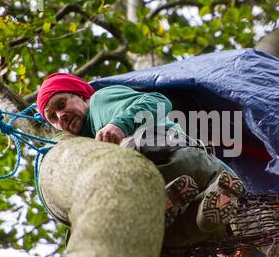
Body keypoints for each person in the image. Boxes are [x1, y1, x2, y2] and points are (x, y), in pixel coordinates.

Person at [37, 72, 245, 247]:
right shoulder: (83, 143)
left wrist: (119, 124)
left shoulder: (100, 101)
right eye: (53, 118)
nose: (61, 116)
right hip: (181, 183)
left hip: (175, 158)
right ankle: (209, 204)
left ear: (82, 96)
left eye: (62, 103)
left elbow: (159, 101)